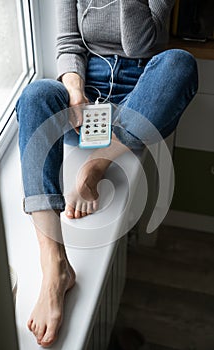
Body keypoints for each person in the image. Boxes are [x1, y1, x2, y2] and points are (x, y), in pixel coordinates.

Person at [16, 0, 198, 347]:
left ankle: (98, 164)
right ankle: (54, 263)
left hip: (139, 100)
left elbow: (141, 45)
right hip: (84, 98)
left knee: (180, 63)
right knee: (35, 95)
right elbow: (69, 43)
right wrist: (74, 92)